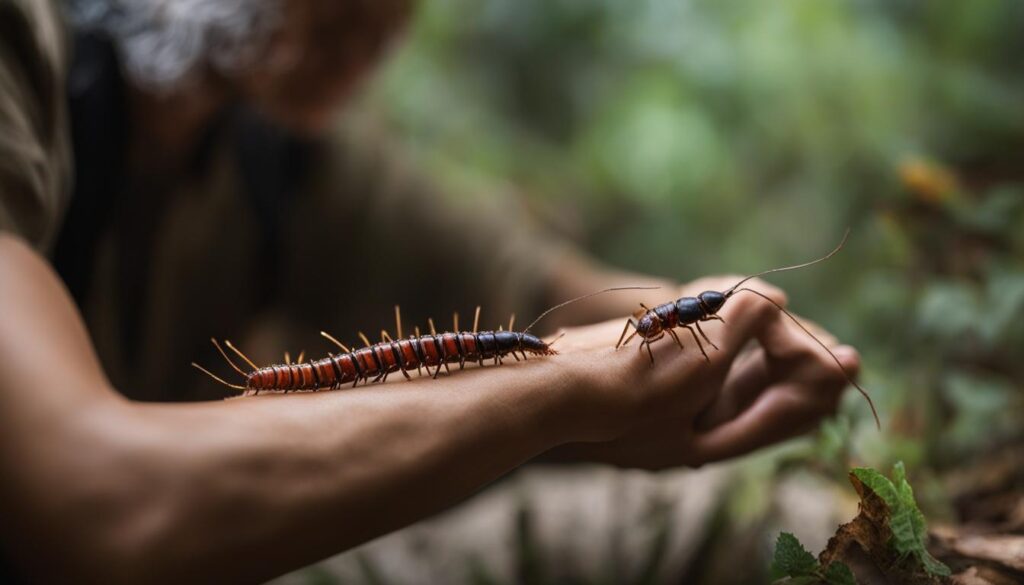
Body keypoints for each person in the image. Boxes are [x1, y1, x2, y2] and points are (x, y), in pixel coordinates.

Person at [0, 0, 860, 582]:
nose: (393, 21)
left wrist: (716, 319)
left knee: (784, 515)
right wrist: (561, 391)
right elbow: (94, 502)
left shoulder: (269, 143)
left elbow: (541, 286)